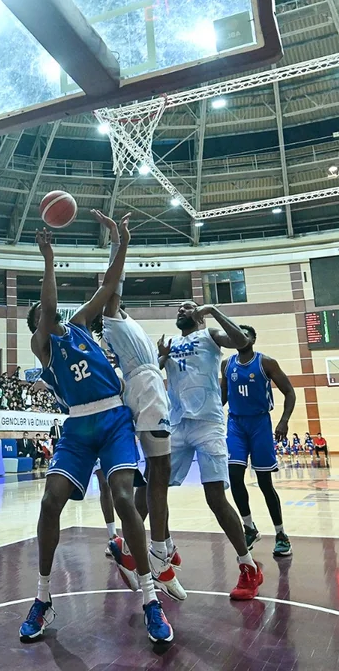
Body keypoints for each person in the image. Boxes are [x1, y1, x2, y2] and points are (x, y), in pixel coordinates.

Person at [19, 217, 171, 645]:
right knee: (50, 503)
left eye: (51, 313)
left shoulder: (81, 324)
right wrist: (49, 260)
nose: (51, 315)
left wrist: (120, 242)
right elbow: (48, 309)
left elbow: (109, 285)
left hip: (113, 418)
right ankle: (43, 598)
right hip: (79, 426)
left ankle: (149, 598)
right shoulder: (43, 345)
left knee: (124, 497)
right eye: (42, 316)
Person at [94, 210, 184, 600]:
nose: (116, 292)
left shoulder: (127, 322)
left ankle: (131, 550)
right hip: (147, 395)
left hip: (149, 388)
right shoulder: (111, 318)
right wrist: (120, 241)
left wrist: (160, 360)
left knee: (153, 480)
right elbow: (112, 280)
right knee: (160, 473)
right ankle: (159, 554)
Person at [158, 300, 262, 600]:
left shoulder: (210, 335)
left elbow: (241, 341)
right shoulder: (171, 342)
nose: (180, 310)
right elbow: (153, 371)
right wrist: (160, 358)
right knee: (156, 488)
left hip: (207, 424)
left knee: (216, 498)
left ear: (199, 315)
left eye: (187, 307)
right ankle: (166, 548)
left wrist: (213, 311)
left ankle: (248, 566)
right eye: (177, 308)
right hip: (177, 423)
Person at [221, 324, 296, 559]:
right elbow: (222, 397)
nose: (240, 337)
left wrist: (283, 421)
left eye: (245, 334)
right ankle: (249, 527)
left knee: (265, 483)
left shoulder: (266, 363)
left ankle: (281, 534)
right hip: (235, 423)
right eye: (237, 334)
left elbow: (290, 392)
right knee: (234, 477)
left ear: (253, 339)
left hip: (260, 424)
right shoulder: (227, 365)